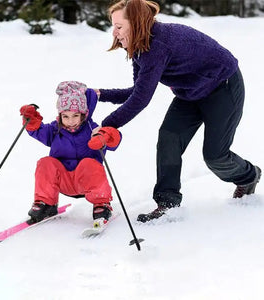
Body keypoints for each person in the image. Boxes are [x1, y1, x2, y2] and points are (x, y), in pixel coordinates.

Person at [94, 0, 261, 223]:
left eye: (119, 26)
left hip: (223, 87)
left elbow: (141, 99)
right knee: (169, 139)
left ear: (136, 23)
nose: (114, 33)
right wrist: (99, 94)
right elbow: (138, 90)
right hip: (190, 93)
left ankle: (249, 176)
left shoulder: (158, 46)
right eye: (113, 26)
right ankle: (167, 203)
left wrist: (107, 125)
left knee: (215, 156)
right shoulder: (140, 47)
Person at [20, 81, 121, 224]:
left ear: (83, 114)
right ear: (60, 116)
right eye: (65, 116)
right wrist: (31, 121)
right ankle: (46, 204)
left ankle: (101, 204)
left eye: (75, 116)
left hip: (86, 182)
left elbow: (115, 139)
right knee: (45, 163)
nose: (70, 121)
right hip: (63, 181)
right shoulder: (55, 130)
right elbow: (37, 130)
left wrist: (105, 137)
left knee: (89, 163)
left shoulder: (93, 130)